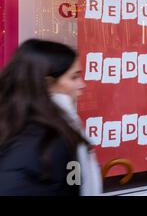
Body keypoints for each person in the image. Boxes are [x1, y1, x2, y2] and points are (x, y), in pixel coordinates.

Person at [0, 39, 102, 195]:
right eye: (74, 77)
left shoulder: (19, 122)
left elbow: (72, 180)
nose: (82, 84)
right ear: (47, 83)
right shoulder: (50, 136)